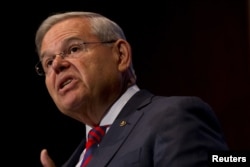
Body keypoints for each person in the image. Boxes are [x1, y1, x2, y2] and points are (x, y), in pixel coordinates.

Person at [34, 11, 228, 167]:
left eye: (74, 49)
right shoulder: (73, 160)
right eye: (48, 62)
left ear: (120, 55)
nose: (57, 65)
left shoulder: (173, 117)